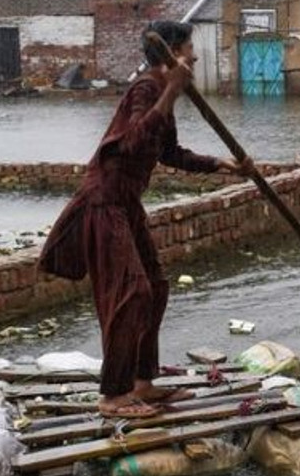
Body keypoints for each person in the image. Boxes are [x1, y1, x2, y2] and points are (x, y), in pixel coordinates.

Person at [38, 21, 255, 419]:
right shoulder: (147, 89)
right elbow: (133, 140)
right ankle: (114, 395)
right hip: (104, 202)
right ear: (173, 52)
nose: (195, 55)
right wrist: (171, 90)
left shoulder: (161, 94)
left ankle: (142, 382)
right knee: (132, 292)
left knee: (155, 286)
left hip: (127, 203)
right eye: (190, 47)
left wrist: (221, 165)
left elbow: (168, 152)